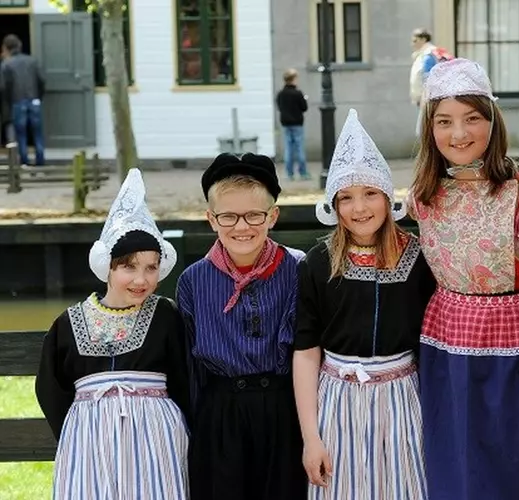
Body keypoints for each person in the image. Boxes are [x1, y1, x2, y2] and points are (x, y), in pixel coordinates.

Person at [408, 58, 519, 500]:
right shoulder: (423, 195)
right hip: (446, 343)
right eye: (444, 121)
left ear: (493, 121)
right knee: (452, 457)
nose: (459, 134)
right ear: (430, 130)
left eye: (472, 119)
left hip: (516, 344)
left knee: (512, 456)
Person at [294, 108, 435, 499]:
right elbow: (306, 352)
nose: (359, 208)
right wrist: (311, 437)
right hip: (337, 401)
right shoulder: (319, 263)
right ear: (334, 205)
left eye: (371, 193)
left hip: (402, 398)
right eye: (346, 198)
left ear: (389, 197)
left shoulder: (419, 257)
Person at [35, 168, 190, 499]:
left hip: (155, 436)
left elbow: (184, 379)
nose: (141, 279)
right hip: (88, 438)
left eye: (151, 267)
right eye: (129, 267)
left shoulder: (165, 315)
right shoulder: (68, 323)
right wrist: (82, 426)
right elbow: (51, 388)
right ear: (108, 266)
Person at [176, 152, 307, 500]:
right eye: (228, 216)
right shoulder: (194, 280)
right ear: (211, 219)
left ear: (273, 216)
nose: (242, 227)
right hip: (221, 414)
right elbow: (190, 367)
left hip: (283, 408)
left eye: (253, 215)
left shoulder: (298, 269)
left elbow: (308, 347)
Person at [1, 34, 45, 167]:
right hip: (34, 100)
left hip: (17, 101)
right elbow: (42, 81)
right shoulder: (32, 61)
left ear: (6, 48)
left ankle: (24, 161)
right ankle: (40, 161)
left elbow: (3, 86)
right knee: (37, 132)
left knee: (21, 134)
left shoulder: (6, 64)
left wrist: (6, 105)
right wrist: (38, 97)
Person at [276, 68, 310, 181]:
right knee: (299, 148)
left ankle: (289, 173)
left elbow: (279, 106)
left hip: (286, 123)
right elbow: (304, 107)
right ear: (293, 79)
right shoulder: (297, 93)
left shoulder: (281, 94)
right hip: (297, 123)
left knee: (288, 148)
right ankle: (303, 172)